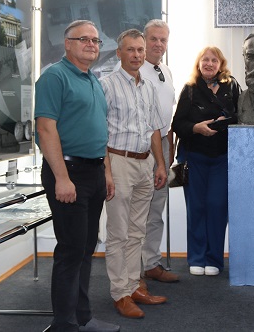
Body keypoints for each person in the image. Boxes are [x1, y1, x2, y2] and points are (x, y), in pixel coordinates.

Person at [35, 20, 119, 332]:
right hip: (68, 173)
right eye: (84, 39)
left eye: (96, 40)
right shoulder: (54, 77)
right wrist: (61, 177)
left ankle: (82, 317)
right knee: (71, 250)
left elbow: (100, 131)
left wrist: (106, 172)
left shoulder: (93, 80)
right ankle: (64, 323)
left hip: (93, 172)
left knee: (85, 248)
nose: (91, 45)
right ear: (67, 43)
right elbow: (46, 129)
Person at [101, 29, 168, 319]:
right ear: (119, 53)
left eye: (140, 50)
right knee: (118, 233)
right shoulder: (106, 85)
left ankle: (133, 286)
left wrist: (160, 164)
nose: (137, 55)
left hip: (144, 163)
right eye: (130, 50)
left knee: (137, 231)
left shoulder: (149, 86)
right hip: (119, 162)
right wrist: (106, 170)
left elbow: (154, 129)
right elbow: (99, 131)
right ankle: (120, 294)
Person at [171, 47, 240, 276]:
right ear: (199, 63)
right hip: (194, 158)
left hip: (222, 158)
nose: (209, 64)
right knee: (196, 208)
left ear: (221, 64)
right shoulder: (190, 89)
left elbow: (242, 117)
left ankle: (214, 260)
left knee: (217, 207)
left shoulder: (232, 86)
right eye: (205, 60)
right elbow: (178, 124)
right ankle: (197, 258)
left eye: (214, 60)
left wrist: (225, 122)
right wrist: (196, 128)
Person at [139, 20, 180, 283]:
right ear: (144, 40)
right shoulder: (133, 69)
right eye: (153, 39)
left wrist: (170, 146)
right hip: (139, 147)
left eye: (163, 40)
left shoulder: (165, 70)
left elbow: (168, 113)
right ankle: (133, 272)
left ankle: (151, 263)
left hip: (162, 144)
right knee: (137, 210)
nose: (158, 44)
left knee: (156, 208)